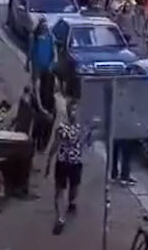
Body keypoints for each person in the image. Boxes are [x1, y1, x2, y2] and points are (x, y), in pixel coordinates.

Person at [45, 100, 86, 235]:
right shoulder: (62, 127)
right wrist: (49, 160)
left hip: (76, 163)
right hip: (62, 162)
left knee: (74, 189)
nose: (73, 113)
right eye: (71, 110)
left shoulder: (82, 128)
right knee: (59, 191)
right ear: (68, 112)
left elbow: (87, 141)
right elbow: (55, 144)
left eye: (75, 110)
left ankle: (71, 202)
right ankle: (60, 219)